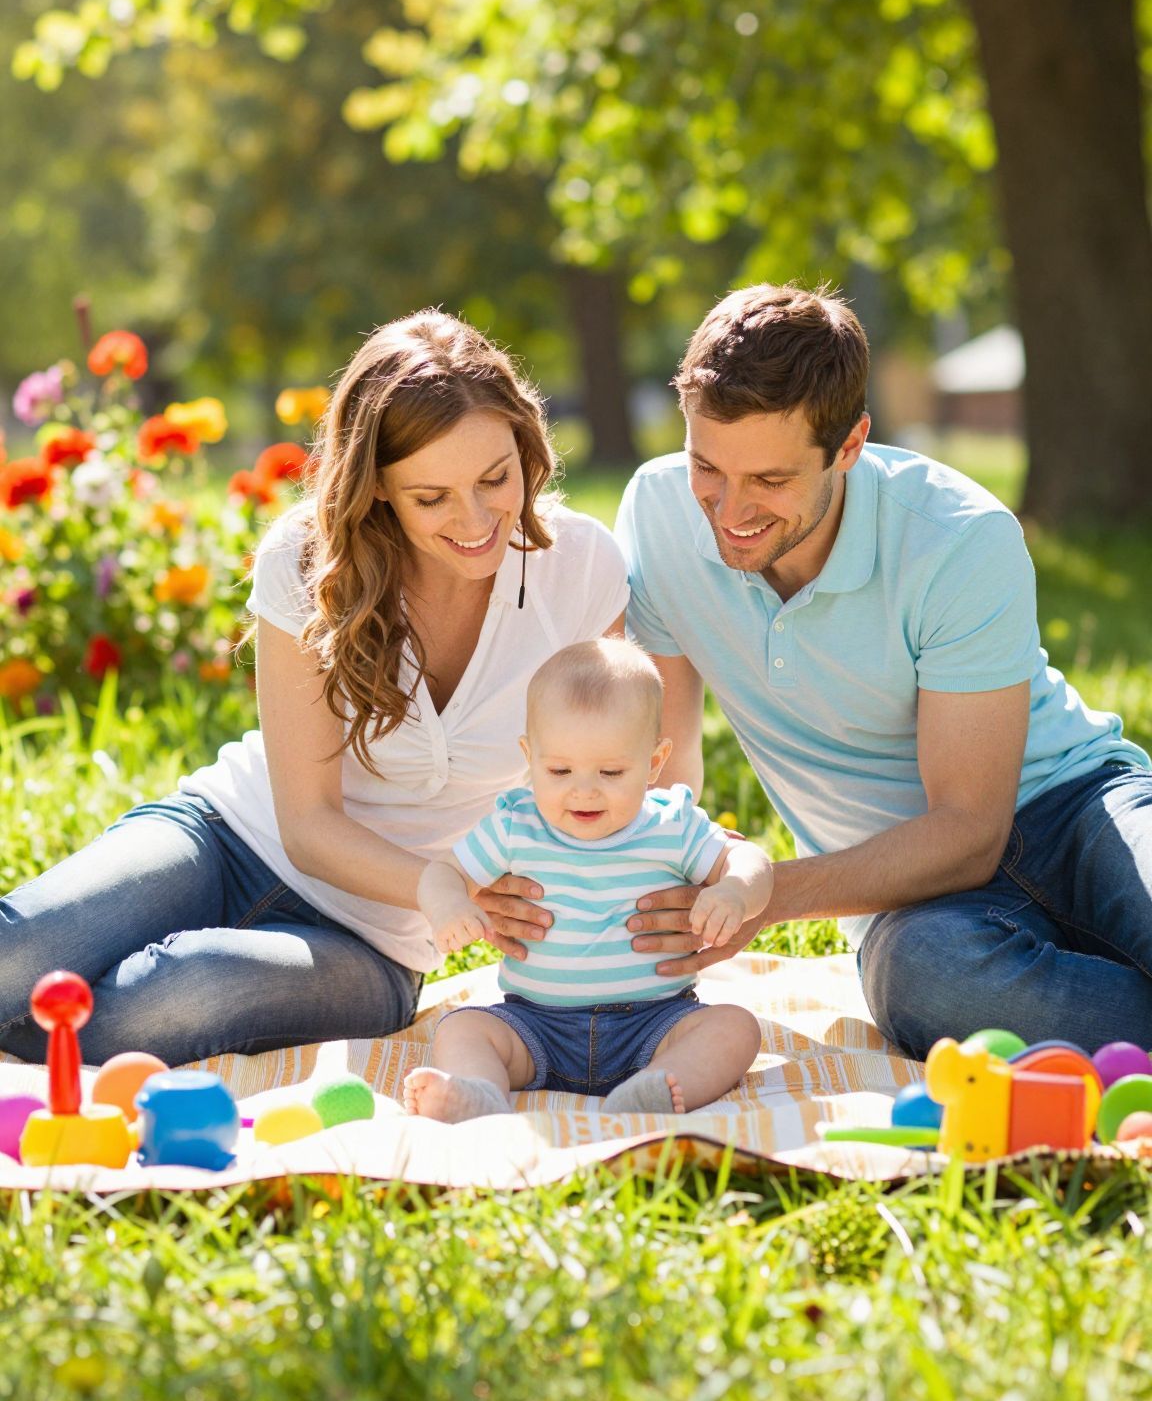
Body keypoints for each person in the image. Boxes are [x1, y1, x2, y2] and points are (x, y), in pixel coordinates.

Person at [0, 311, 625, 1066]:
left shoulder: (580, 568)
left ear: (525, 446)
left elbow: (612, 770)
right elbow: (307, 823)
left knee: (167, 998)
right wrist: (441, 881)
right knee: (15, 956)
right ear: (379, 487)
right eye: (431, 497)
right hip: (226, 838)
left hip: (373, 941)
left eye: (496, 478)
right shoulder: (307, 558)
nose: (475, 519)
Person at [616, 282, 1152, 1060]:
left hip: (1077, 810)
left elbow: (970, 830)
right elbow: (664, 773)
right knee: (927, 981)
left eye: (770, 480)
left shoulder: (956, 538)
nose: (729, 511)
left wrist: (766, 894)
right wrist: (663, 873)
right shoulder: (659, 515)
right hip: (914, 903)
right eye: (707, 466)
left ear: (850, 445)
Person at [406, 637, 772, 1120]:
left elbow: (749, 859)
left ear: (654, 763)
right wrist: (449, 904)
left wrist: (734, 891)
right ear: (529, 756)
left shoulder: (671, 823)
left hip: (655, 1024)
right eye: (559, 770)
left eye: (611, 772)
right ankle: (478, 1094)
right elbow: (443, 871)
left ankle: (656, 1087)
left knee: (735, 1028)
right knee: (463, 1029)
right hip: (535, 1026)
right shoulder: (516, 825)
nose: (584, 791)